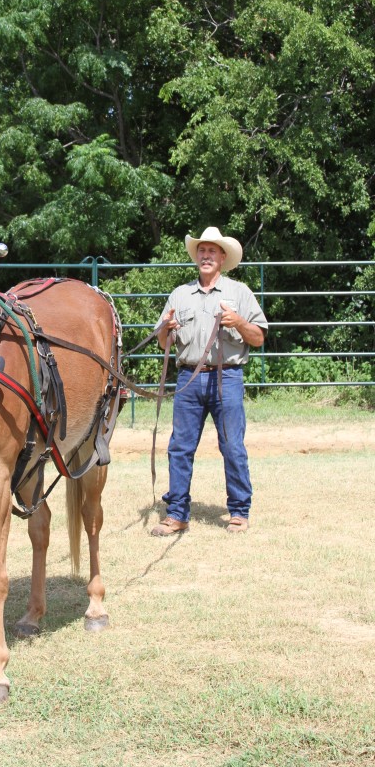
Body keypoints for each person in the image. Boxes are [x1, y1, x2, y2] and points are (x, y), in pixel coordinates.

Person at [151, 227, 268, 536]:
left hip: (226, 377)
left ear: (222, 257)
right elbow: (163, 341)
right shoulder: (180, 294)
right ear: (197, 256)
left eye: (212, 251)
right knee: (180, 447)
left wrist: (239, 321)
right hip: (189, 378)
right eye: (201, 250)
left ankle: (239, 511)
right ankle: (177, 513)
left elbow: (258, 338)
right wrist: (167, 327)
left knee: (232, 446)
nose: (205, 255)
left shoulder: (240, 293)